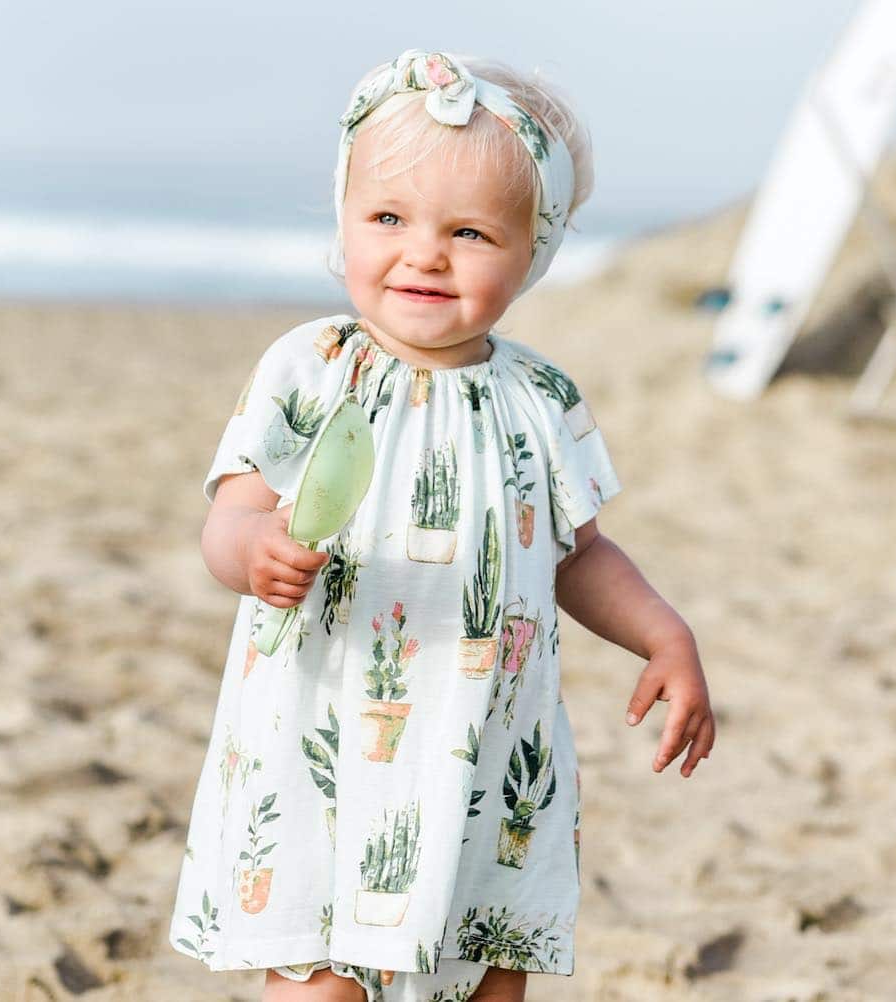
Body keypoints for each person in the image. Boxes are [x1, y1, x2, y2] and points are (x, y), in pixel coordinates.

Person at [168, 48, 715, 1002]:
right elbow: (234, 510)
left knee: (486, 977)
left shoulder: (541, 397)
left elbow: (579, 554)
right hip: (322, 735)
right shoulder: (311, 366)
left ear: (531, 252)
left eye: (468, 232)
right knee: (322, 978)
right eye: (387, 218)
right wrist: (250, 553)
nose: (423, 252)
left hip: (485, 747)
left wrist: (663, 634)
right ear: (344, 220)